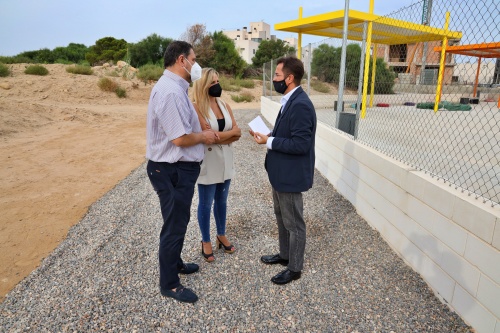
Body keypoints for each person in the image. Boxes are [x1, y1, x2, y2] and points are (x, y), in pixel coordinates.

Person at [145, 41, 218, 303]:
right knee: (174, 226)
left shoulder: (176, 88)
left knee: (177, 221)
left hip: (175, 169)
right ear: (181, 60)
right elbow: (179, 139)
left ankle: (174, 264)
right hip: (171, 170)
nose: (195, 64)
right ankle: (170, 284)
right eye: (193, 59)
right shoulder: (171, 93)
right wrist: (204, 137)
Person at [250, 56, 317, 285]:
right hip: (280, 174)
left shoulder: (300, 105)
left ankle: (295, 268)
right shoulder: (289, 100)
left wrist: (268, 143)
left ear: (289, 78)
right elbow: (287, 135)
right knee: (281, 217)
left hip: (290, 176)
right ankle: (285, 254)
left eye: (277, 76)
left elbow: (300, 144)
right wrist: (268, 135)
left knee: (294, 223)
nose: (274, 79)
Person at [191, 68, 241, 262]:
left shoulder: (224, 104)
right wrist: (227, 136)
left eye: (218, 81)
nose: (216, 85)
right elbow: (208, 137)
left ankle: (221, 234)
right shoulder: (196, 107)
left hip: (226, 160)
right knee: (206, 202)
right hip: (208, 161)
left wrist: (220, 136)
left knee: (222, 200)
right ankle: (205, 240)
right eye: (212, 82)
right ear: (203, 84)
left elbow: (237, 132)